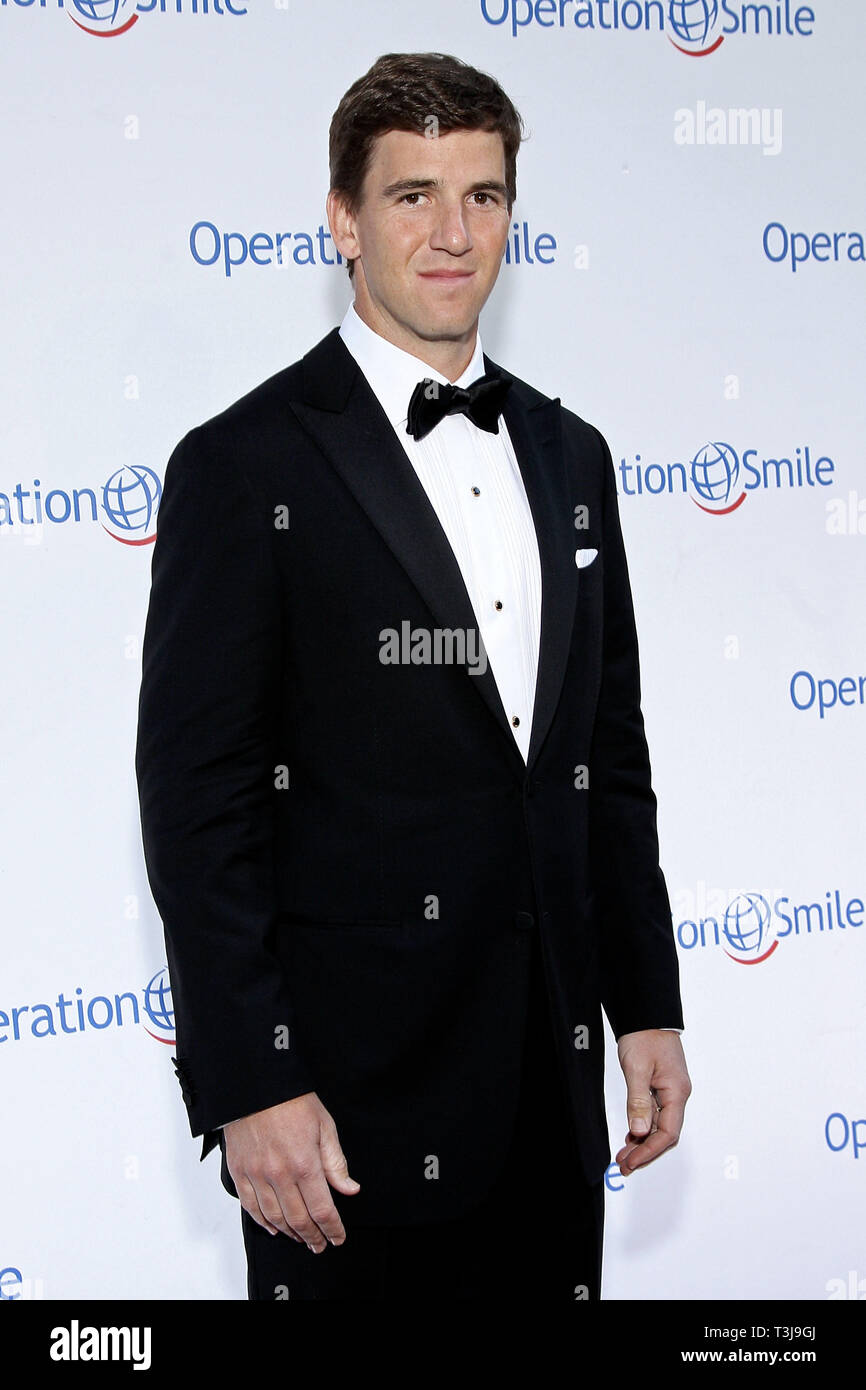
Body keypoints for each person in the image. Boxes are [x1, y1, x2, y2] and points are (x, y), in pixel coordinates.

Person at [135, 51, 691, 1302]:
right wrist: (251, 1080)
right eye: (411, 196)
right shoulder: (242, 463)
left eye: (482, 196)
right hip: (339, 1124)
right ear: (342, 219)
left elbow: (606, 757)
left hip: (548, 1109)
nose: (453, 233)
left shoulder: (572, 454)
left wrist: (643, 1006)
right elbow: (198, 799)